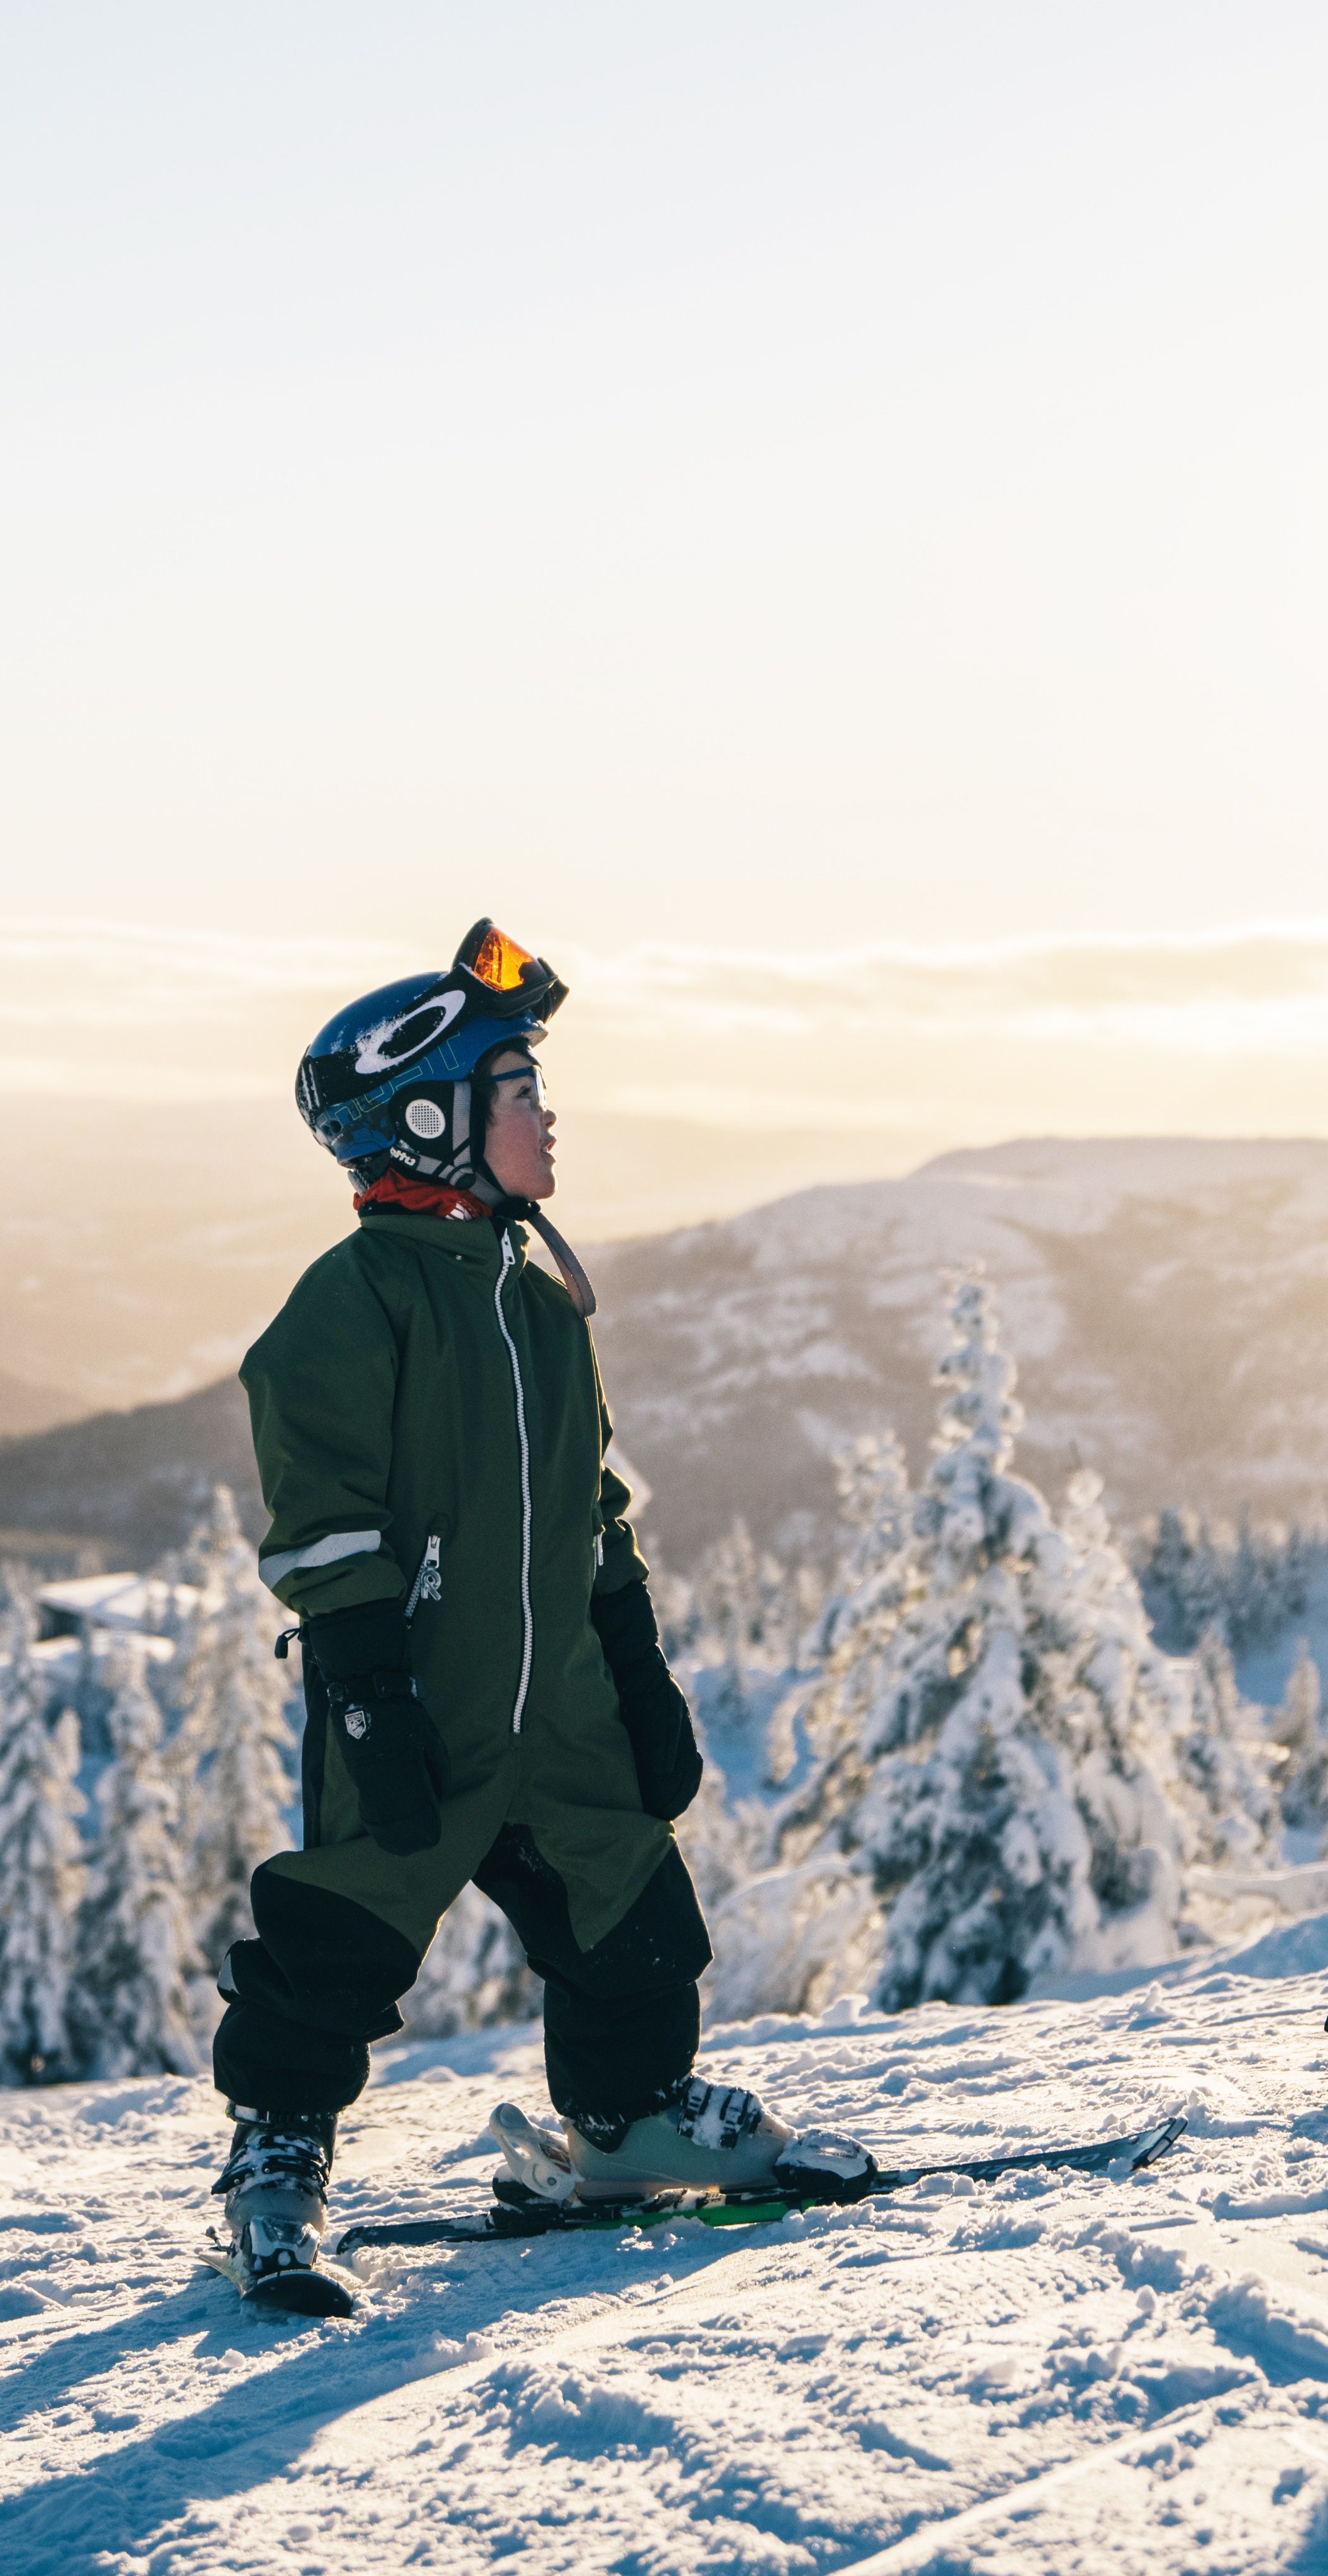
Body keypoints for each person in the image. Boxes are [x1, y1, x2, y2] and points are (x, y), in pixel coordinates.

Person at [207, 919, 865, 2293]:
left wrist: (635, 1661)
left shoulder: (542, 1306)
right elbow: (322, 1520)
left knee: (632, 1903)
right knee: (342, 1930)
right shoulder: (353, 1302)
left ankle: (628, 2120)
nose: (547, 1114)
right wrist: (369, 1689)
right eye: (518, 1087)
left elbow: (593, 1509)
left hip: (561, 1709)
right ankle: (278, 2160)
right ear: (431, 1119)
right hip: (419, 1700)